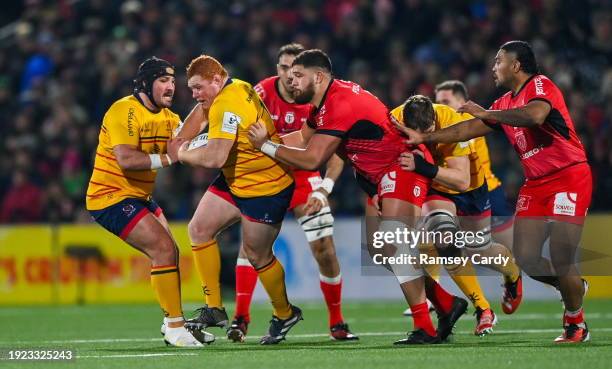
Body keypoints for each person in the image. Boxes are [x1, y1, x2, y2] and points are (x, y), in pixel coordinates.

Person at [248, 49, 467, 345]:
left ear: (319, 77)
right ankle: (445, 303)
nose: (291, 80)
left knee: (395, 245)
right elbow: (300, 138)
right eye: (290, 74)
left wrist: (265, 147)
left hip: (402, 165)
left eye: (299, 75)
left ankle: (425, 328)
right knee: (385, 252)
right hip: (380, 175)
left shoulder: (339, 103)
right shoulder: (322, 104)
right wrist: (251, 145)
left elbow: (312, 159)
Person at [395, 41, 592, 343]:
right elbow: (465, 130)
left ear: (515, 65)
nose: (493, 67)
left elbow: (535, 116)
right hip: (536, 183)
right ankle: (573, 286)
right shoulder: (502, 104)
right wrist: (426, 137)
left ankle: (574, 323)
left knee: (561, 255)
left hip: (569, 176)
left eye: (498, 61)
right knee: (527, 259)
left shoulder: (541, 85)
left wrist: (488, 113)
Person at [227, 43, 357, 342]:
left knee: (324, 248)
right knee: (251, 245)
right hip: (267, 176)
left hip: (305, 177)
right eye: (285, 69)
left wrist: (325, 188)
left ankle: (337, 321)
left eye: (295, 71)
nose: (290, 77)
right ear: (277, 69)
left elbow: (338, 149)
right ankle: (241, 318)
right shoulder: (260, 94)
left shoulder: (318, 99)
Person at [85, 57, 212, 347]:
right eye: (163, 81)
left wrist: (219, 128)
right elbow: (127, 160)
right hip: (109, 196)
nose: (171, 87)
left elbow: (187, 141)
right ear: (145, 84)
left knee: (171, 252)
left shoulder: (169, 119)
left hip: (139, 197)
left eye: (172, 81)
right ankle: (177, 327)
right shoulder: (124, 110)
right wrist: (169, 158)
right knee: (163, 249)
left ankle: (172, 325)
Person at [175, 54, 302, 345]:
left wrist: (182, 153)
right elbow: (203, 113)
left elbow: (215, 156)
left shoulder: (226, 105)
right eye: (191, 88)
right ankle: (215, 308)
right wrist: (181, 136)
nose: (194, 95)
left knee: (258, 255)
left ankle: (285, 313)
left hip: (265, 185)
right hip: (237, 178)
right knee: (199, 229)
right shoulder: (238, 86)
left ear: (217, 80)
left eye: (198, 88)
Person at [391, 95, 523, 336]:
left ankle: (513, 275)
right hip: (434, 188)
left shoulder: (452, 120)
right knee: (443, 240)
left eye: (428, 132)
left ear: (434, 121)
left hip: (469, 189)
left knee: (480, 250)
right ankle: (483, 308)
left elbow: (461, 181)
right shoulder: (395, 119)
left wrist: (424, 166)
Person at [434, 80, 515, 252]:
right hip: (459, 195)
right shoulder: (442, 124)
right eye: (438, 102)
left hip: (487, 193)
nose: (441, 106)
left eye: (446, 102)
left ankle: (514, 277)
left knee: (512, 253)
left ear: (462, 103)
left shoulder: (469, 122)